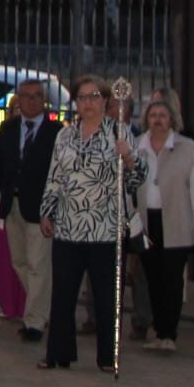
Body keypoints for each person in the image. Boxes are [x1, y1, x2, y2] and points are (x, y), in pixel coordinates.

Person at [37, 77, 145, 372]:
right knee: (63, 294)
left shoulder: (119, 132)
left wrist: (129, 157)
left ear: (105, 101)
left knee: (107, 297)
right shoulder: (65, 136)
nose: (87, 103)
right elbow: (55, 177)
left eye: (93, 97)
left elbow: (137, 179)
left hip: (105, 230)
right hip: (69, 228)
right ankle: (58, 353)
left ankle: (108, 357)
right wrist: (47, 211)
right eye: (82, 98)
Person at [133, 99, 194, 351]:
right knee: (152, 278)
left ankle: (170, 333)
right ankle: (159, 330)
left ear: (172, 119)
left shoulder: (188, 148)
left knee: (173, 279)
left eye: (163, 115)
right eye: (153, 115)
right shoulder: (136, 147)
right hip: (147, 221)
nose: (157, 119)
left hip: (176, 219)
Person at [0, 81, 61, 343]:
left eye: (37, 97)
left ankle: (34, 321)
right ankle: (45, 306)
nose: (32, 102)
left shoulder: (56, 131)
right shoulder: (8, 128)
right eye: (26, 96)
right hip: (14, 205)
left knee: (38, 265)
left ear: (43, 100)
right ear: (18, 99)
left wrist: (53, 209)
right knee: (19, 262)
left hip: (41, 208)